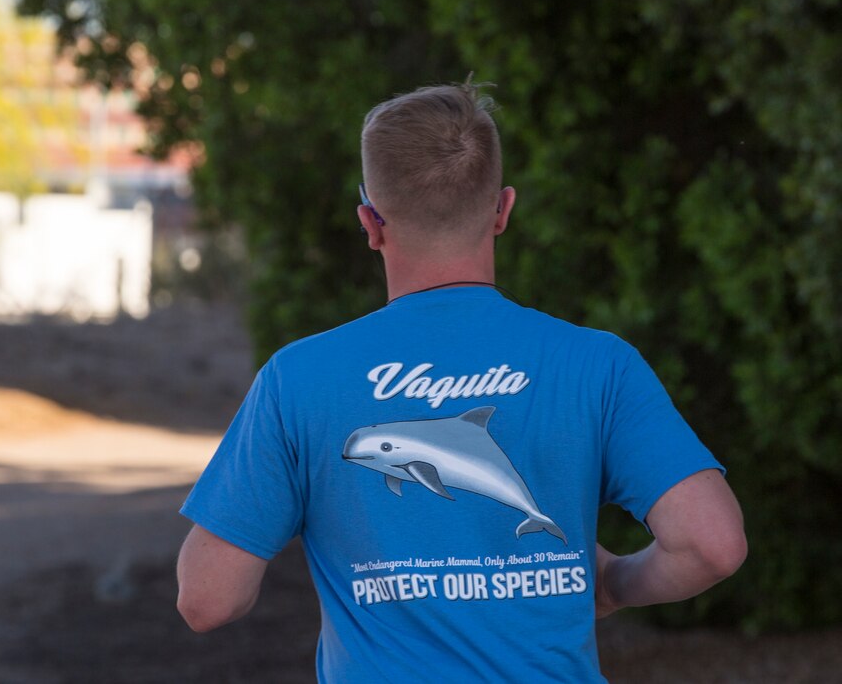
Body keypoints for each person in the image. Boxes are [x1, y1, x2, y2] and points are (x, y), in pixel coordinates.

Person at [175, 83, 746, 681]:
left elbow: (208, 600)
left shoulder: (297, 380)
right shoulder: (598, 364)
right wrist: (611, 584)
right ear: (502, 209)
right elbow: (713, 544)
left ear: (370, 222)